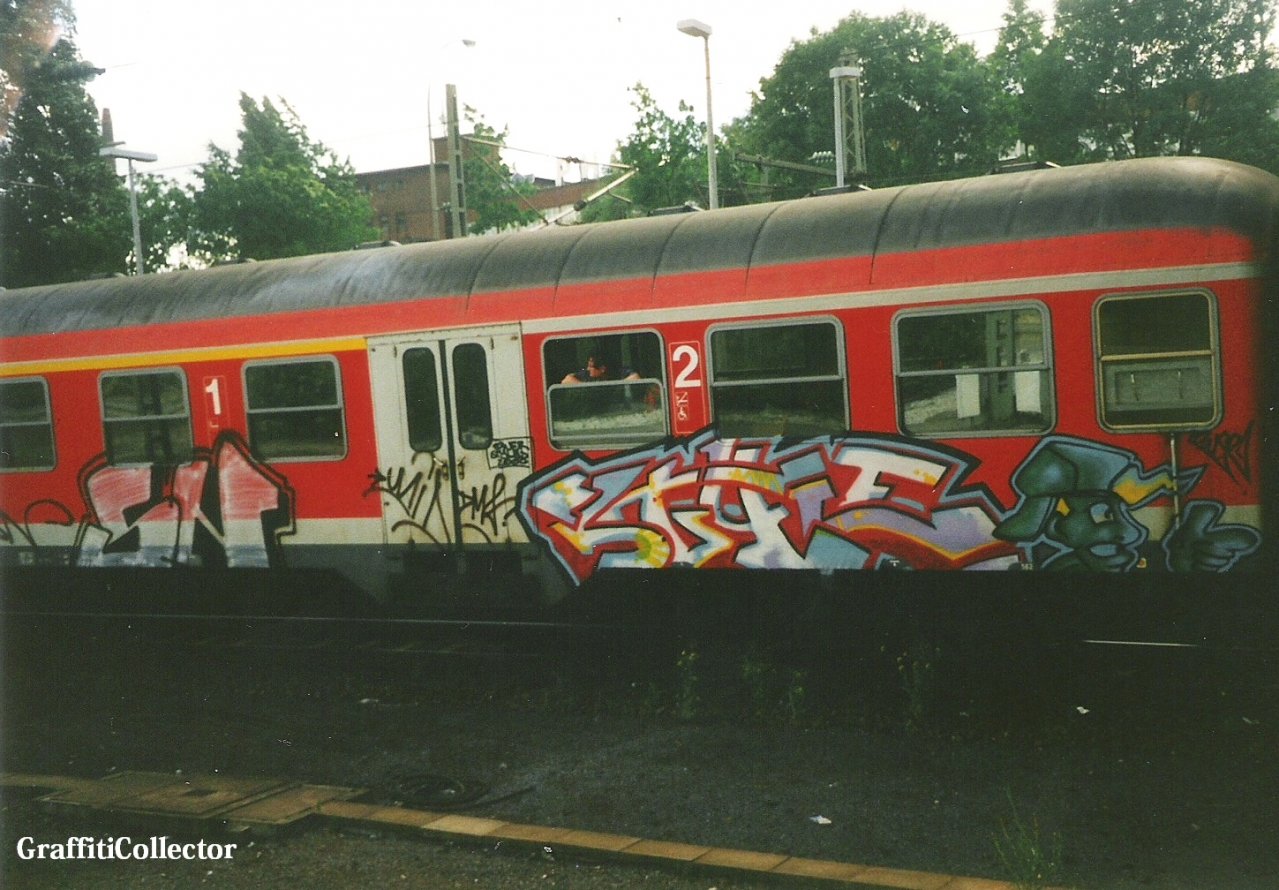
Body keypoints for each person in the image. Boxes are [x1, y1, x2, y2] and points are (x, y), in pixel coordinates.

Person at [561, 355, 641, 384]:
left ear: (602, 369)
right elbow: (566, 380)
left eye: (591, 368)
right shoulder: (585, 374)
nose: (588, 369)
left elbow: (636, 377)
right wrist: (583, 386)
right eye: (588, 367)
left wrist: (618, 385)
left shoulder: (614, 373)